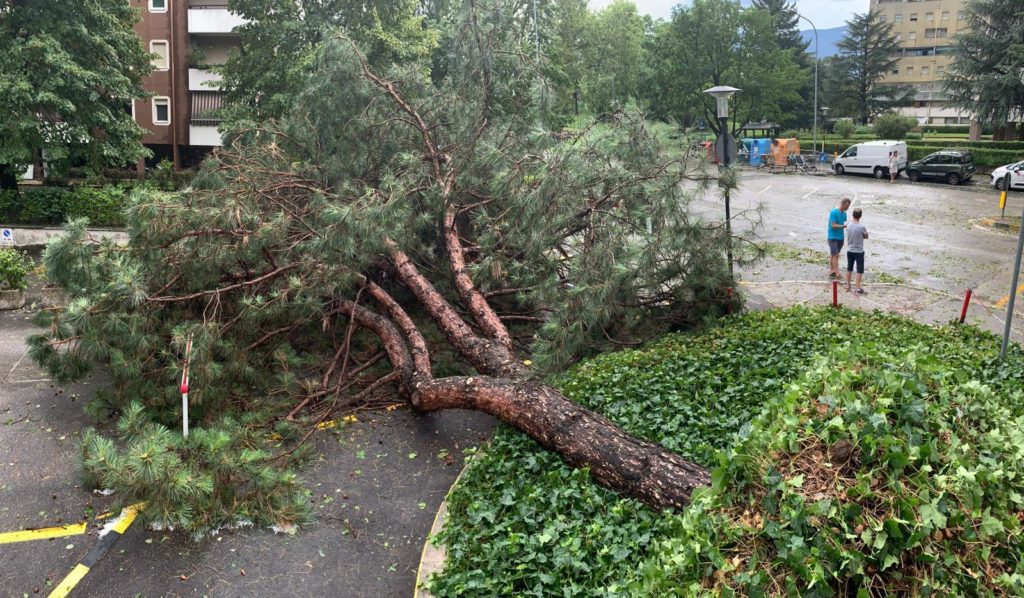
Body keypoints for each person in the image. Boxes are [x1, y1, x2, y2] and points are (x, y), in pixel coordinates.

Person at [845, 208, 869, 294]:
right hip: (859, 251)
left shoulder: (849, 225)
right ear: (860, 216)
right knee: (859, 270)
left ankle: (848, 285)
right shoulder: (862, 227)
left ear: (853, 215)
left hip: (850, 250)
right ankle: (857, 287)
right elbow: (866, 236)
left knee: (849, 268)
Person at [827, 198, 851, 279]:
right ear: (843, 204)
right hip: (833, 237)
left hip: (840, 237)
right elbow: (833, 225)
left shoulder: (844, 214)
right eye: (847, 206)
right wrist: (843, 226)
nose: (847, 208)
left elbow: (842, 222)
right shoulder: (834, 212)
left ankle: (831, 270)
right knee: (835, 255)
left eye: (848, 206)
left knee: (833, 255)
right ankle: (837, 273)